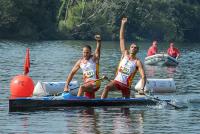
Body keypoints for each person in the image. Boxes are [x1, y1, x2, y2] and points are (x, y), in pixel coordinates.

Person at [101, 18, 146, 99]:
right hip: (116, 82)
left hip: (126, 86)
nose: (133, 48)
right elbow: (121, 38)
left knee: (126, 109)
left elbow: (143, 77)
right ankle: (101, 104)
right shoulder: (125, 54)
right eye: (132, 47)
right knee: (107, 87)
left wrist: (142, 88)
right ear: (129, 49)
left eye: (135, 47)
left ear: (137, 50)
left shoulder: (137, 62)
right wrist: (123, 24)